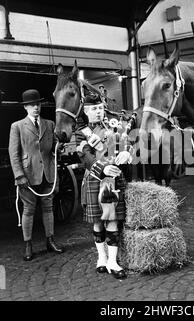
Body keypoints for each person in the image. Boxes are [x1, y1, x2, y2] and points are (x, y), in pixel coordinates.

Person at [75, 96, 132, 279]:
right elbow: (85, 156)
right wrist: (102, 168)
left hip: (114, 179)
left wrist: (126, 152)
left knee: (113, 220)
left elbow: (126, 143)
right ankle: (102, 258)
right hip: (94, 179)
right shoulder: (81, 132)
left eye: (100, 108)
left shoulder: (113, 125)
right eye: (94, 109)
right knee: (98, 221)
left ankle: (113, 262)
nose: (98, 111)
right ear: (86, 111)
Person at [8, 89, 64, 261]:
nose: (36, 108)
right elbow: (14, 153)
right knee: (29, 210)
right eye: (32, 105)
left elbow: (55, 148)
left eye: (38, 104)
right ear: (25, 107)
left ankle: (50, 240)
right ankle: (28, 245)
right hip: (28, 175)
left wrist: (59, 148)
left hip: (48, 173)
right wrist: (19, 176)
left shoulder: (50, 124)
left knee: (48, 208)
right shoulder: (17, 126)